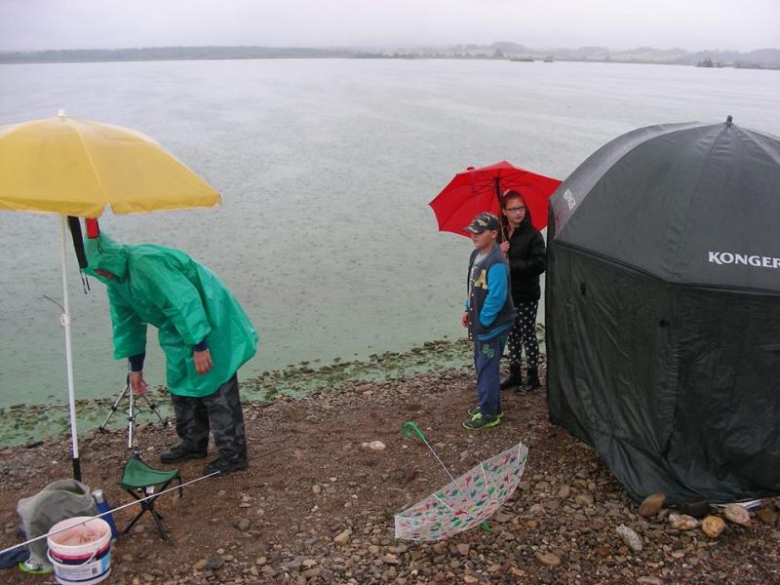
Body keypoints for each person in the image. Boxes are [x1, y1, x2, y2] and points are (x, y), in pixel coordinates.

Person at [84, 229, 258, 476]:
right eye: (95, 272)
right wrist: (135, 366)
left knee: (215, 385)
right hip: (175, 328)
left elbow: (183, 300)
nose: (101, 274)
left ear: (111, 258)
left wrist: (199, 344)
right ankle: (193, 443)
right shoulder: (115, 281)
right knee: (180, 382)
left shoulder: (146, 262)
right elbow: (126, 323)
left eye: (102, 268)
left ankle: (233, 454)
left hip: (207, 316)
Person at [461, 212, 516, 430]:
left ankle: (489, 413)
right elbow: (474, 287)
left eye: (480, 232)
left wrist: (483, 321)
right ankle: (491, 404)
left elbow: (497, 296)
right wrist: (467, 309)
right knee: (482, 363)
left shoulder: (498, 263)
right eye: (472, 231)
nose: (474, 235)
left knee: (487, 367)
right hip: (481, 322)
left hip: (493, 325)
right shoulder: (476, 255)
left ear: (494, 234)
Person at [498, 190, 547, 392]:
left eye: (521, 208)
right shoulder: (501, 233)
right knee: (512, 334)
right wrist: (498, 250)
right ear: (504, 211)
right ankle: (515, 373)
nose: (518, 213)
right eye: (513, 209)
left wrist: (511, 264)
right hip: (508, 294)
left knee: (528, 334)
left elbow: (540, 264)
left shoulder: (533, 235)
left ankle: (533, 375)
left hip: (526, 294)